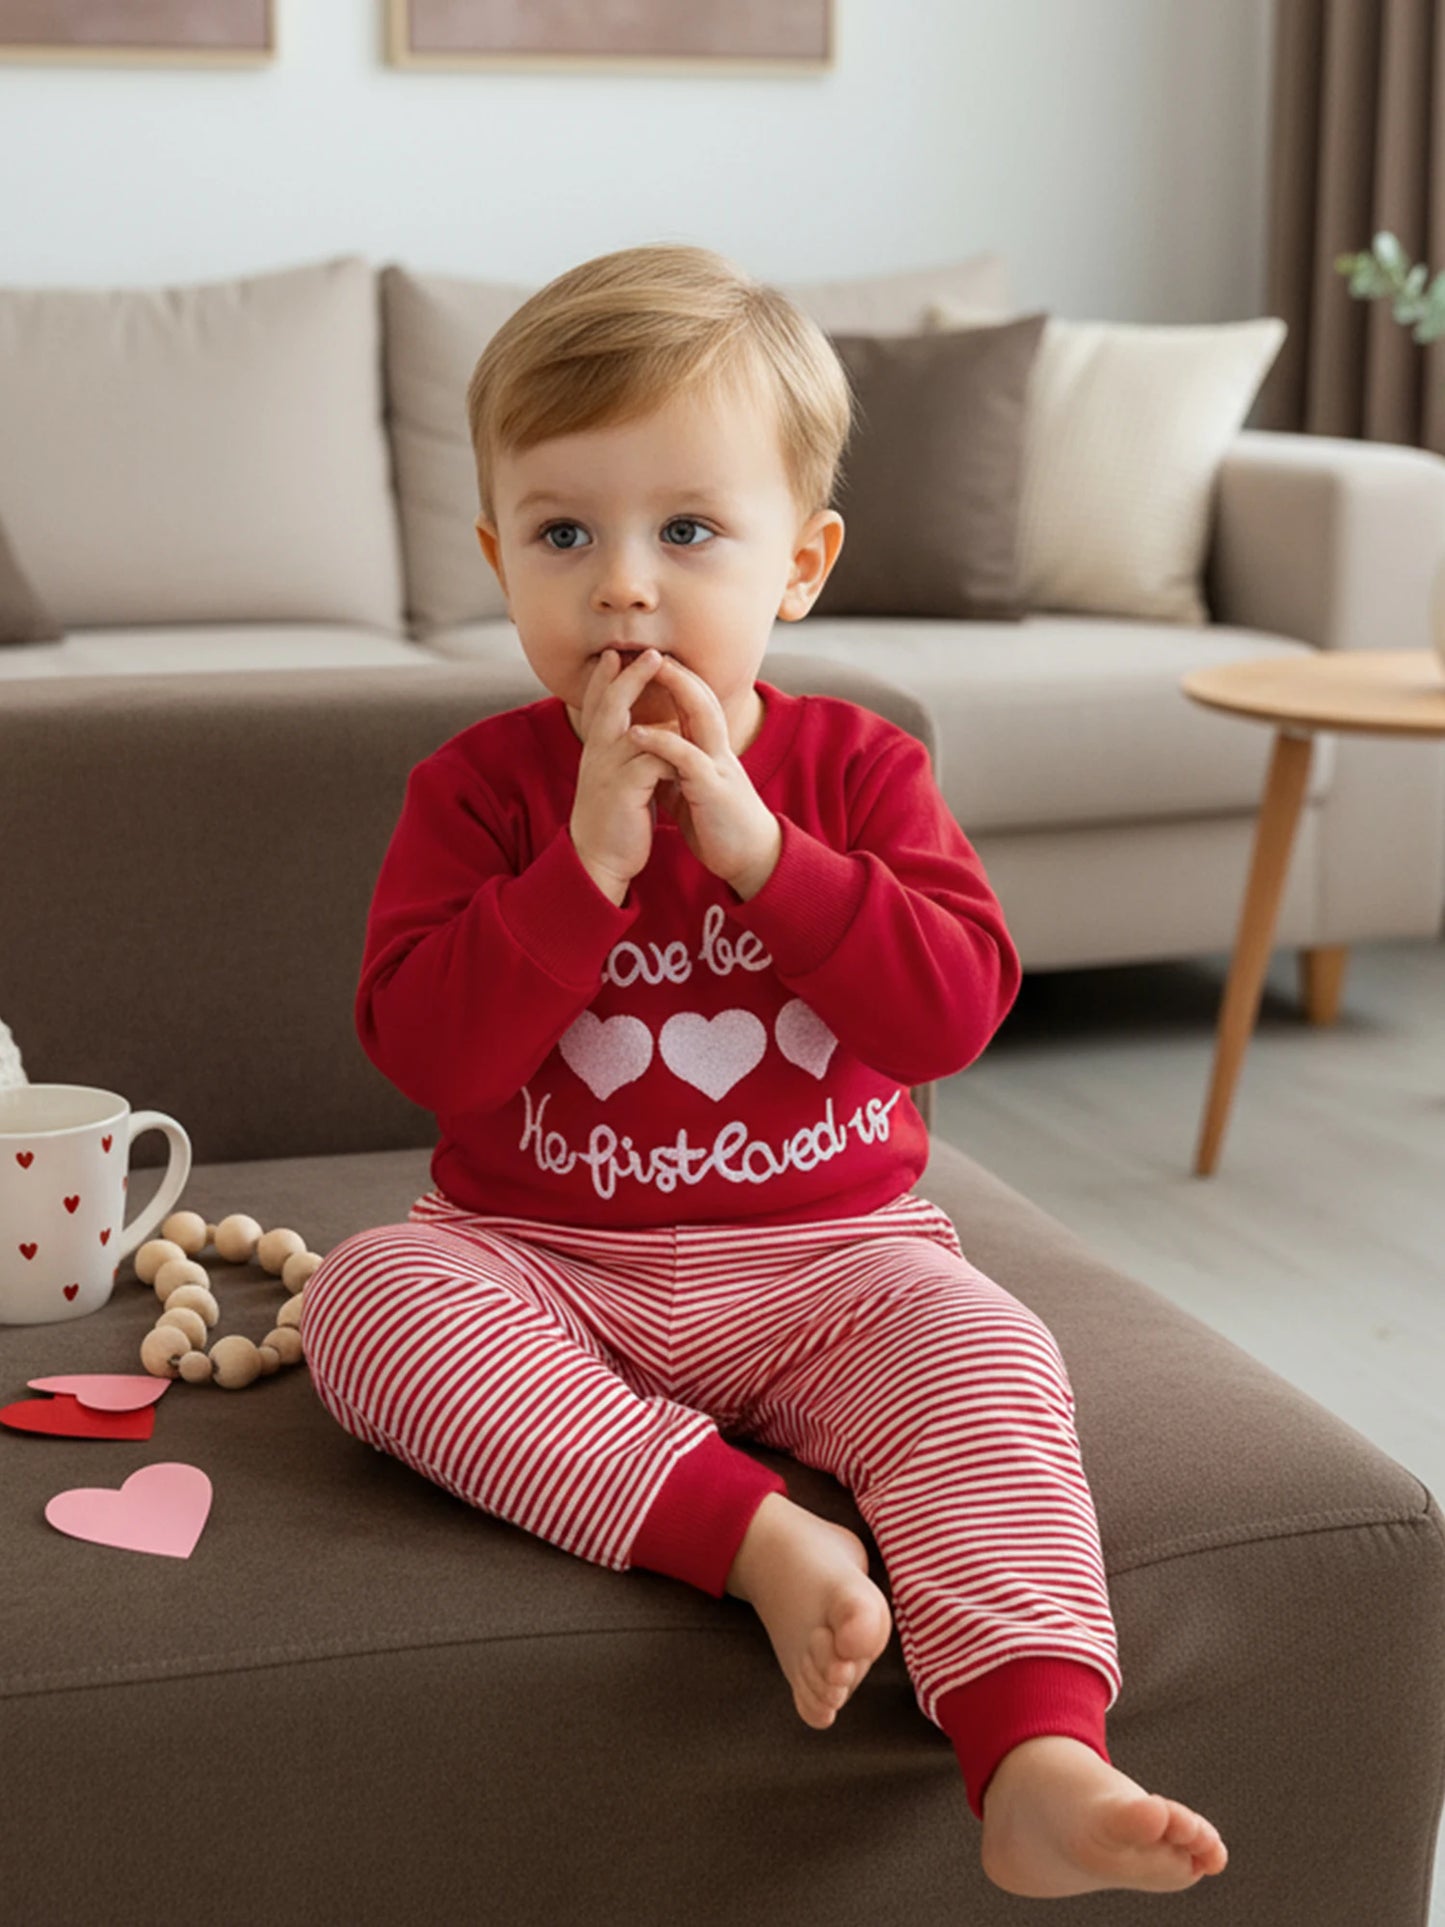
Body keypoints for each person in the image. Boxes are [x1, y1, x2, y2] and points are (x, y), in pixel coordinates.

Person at [301, 241, 1228, 1899]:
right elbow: (422, 1055)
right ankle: (750, 1536)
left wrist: (765, 857)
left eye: (689, 533)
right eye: (564, 533)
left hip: (836, 1268)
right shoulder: (477, 791)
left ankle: (1033, 1755)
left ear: (798, 567)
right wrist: (574, 877)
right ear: (495, 555)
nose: (624, 587)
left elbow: (947, 1013)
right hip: (544, 1264)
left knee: (989, 1356)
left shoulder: (858, 769)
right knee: (369, 1300)